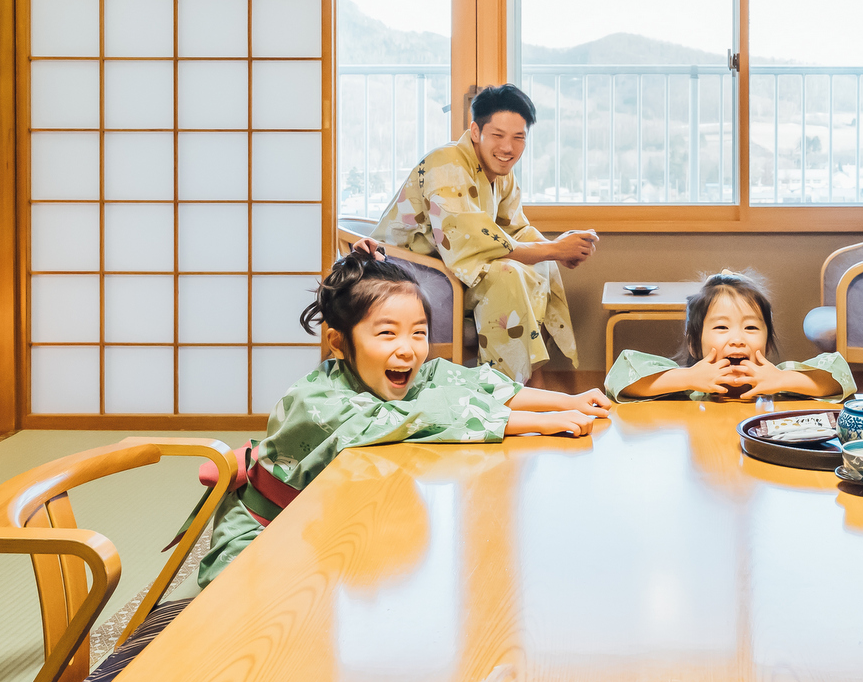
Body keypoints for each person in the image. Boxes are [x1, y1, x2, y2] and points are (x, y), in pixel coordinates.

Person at [196, 247, 612, 587]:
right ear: (338, 342)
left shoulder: (409, 374)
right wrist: (539, 425)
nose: (408, 348)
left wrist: (567, 402)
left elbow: (480, 385)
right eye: (386, 332)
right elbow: (415, 417)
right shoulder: (317, 399)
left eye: (418, 332)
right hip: (261, 533)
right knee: (265, 619)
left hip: (323, 529)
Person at [372, 84, 597, 385]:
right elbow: (474, 241)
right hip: (404, 273)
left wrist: (555, 247)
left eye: (519, 138)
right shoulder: (447, 163)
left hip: (448, 270)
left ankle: (530, 380)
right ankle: (505, 391)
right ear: (476, 131)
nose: (508, 148)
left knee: (539, 264)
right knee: (506, 275)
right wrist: (555, 249)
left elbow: (515, 228)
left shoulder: (499, 174)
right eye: (498, 135)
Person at [604, 270, 856, 402]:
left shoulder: (779, 380)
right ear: (694, 343)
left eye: (751, 328)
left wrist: (784, 380)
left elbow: (839, 378)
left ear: (767, 345)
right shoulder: (685, 385)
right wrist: (687, 378)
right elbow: (620, 378)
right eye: (722, 328)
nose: (738, 339)